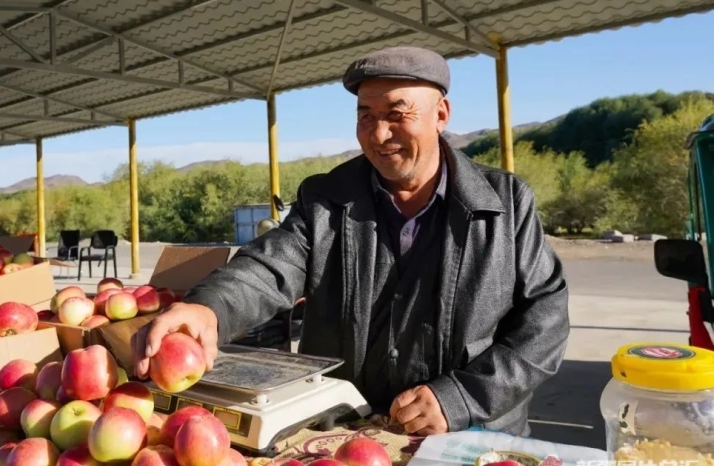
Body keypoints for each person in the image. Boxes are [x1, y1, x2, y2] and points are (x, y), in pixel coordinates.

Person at [131, 46, 570, 437]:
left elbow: (545, 320)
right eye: (366, 116)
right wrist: (208, 308)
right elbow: (267, 270)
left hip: (471, 435)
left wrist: (463, 398)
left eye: (398, 114)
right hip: (348, 433)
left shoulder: (505, 204)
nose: (378, 135)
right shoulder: (326, 199)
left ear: (441, 114)